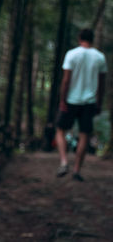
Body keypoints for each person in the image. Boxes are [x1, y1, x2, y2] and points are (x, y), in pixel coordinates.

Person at [55, 28, 107, 181]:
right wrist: (99, 102)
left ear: (79, 38)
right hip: (89, 102)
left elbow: (66, 80)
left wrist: (62, 99)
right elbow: (102, 83)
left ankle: (64, 162)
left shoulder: (71, 54)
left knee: (60, 130)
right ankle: (77, 170)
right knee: (84, 135)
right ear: (92, 39)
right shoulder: (100, 57)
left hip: (71, 100)